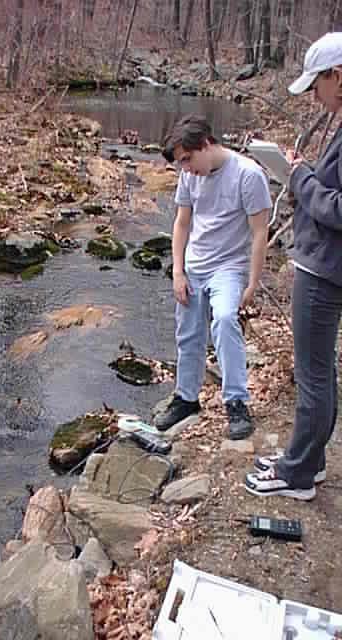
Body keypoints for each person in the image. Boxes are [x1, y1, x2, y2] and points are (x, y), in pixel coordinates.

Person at [246, 31, 342, 501]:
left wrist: (300, 178)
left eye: (316, 86)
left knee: (313, 375)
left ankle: (298, 473)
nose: (314, 97)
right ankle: (310, 461)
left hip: (325, 268)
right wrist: (307, 171)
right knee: (320, 371)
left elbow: (338, 209)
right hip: (324, 262)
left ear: (337, 76)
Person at [154, 114, 272, 439]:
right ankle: (186, 398)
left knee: (224, 320)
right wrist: (178, 271)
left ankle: (236, 402)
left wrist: (252, 283)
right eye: (180, 162)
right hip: (194, 265)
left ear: (206, 144)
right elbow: (182, 223)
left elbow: (259, 232)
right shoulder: (189, 175)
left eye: (188, 159)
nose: (186, 168)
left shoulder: (248, 175)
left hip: (229, 267)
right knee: (188, 333)